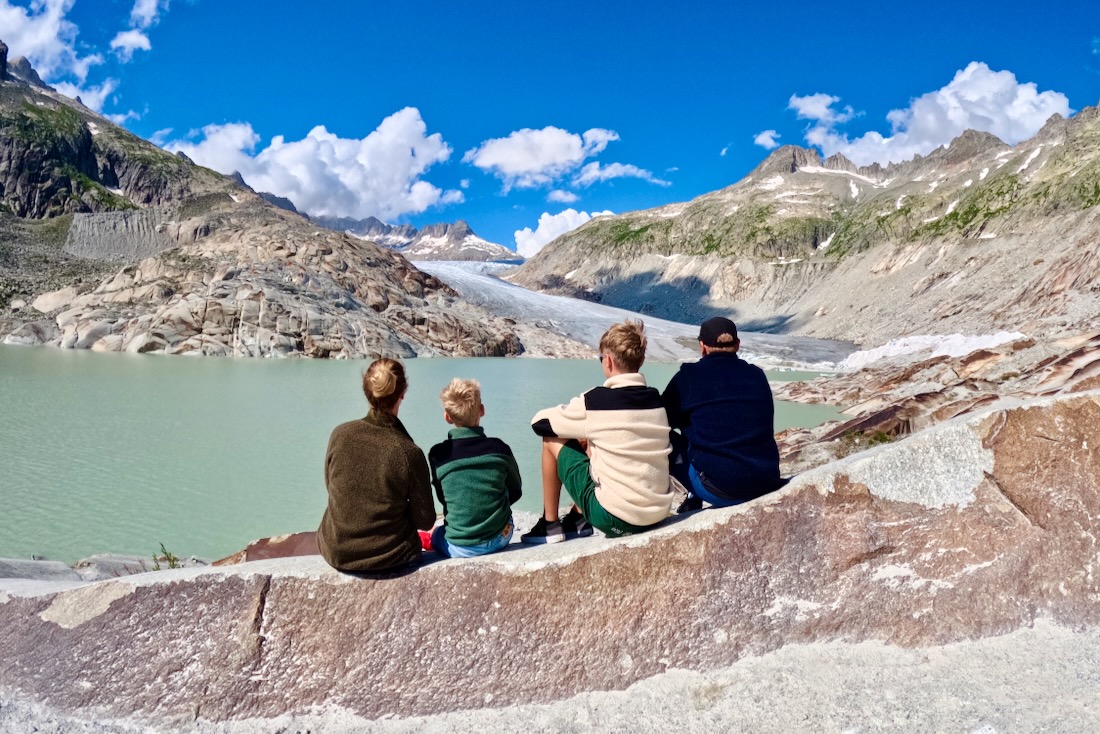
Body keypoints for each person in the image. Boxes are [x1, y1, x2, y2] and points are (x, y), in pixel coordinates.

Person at [522, 320, 676, 543]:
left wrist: (567, 414)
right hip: (657, 513)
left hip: (616, 519)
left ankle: (550, 524)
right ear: (640, 360)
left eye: (601, 358)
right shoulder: (656, 400)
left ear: (609, 361)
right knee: (594, 440)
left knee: (551, 440)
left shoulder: (596, 401)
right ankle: (577, 518)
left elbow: (539, 423)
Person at [317, 358, 436, 574]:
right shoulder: (408, 452)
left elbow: (332, 488)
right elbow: (425, 520)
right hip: (391, 555)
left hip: (336, 551)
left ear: (367, 391)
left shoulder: (340, 434)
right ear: (402, 394)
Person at [662, 317, 785, 509]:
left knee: (661, 436)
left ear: (702, 346)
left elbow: (661, 420)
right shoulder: (757, 375)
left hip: (720, 490)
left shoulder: (689, 377)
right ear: (737, 345)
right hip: (766, 481)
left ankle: (685, 495)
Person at [427, 378, 522, 558]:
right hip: (502, 537)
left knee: (437, 533)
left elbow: (443, 498)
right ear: (482, 410)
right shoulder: (500, 449)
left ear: (447, 416)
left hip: (459, 547)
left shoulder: (438, 455)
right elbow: (516, 491)